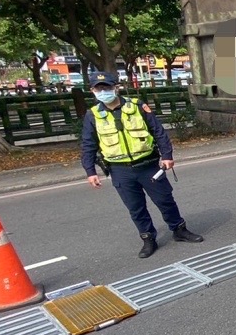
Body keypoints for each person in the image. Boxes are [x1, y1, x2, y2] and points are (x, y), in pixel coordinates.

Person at [80, 71, 204, 258]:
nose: (104, 91)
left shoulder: (137, 107)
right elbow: (88, 144)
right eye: (99, 88)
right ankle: (148, 239)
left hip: (148, 165)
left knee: (165, 200)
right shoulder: (93, 115)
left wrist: (167, 155)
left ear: (116, 87)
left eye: (107, 87)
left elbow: (158, 131)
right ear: (92, 91)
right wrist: (90, 171)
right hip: (119, 170)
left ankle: (179, 230)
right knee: (136, 207)